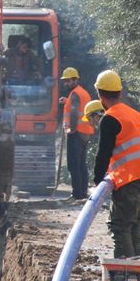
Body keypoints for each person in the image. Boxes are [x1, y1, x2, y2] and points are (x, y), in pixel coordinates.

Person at [92, 70, 140, 259]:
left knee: (120, 225)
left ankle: (126, 276)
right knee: (132, 222)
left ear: (100, 94)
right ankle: (135, 275)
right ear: (119, 92)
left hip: (135, 180)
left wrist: (97, 183)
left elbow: (103, 154)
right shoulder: (135, 114)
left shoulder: (110, 118)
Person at [82, 99, 140, 243]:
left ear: (97, 115)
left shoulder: (109, 123)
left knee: (126, 214)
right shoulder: (120, 121)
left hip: (133, 175)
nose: (89, 123)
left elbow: (104, 154)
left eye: (89, 118)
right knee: (133, 210)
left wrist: (98, 179)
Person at [59, 67, 95, 200]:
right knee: (81, 164)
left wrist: (71, 129)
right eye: (65, 81)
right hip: (86, 132)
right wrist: (66, 101)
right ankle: (83, 192)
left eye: (68, 81)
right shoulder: (82, 93)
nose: (66, 83)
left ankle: (77, 194)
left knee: (73, 164)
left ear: (75, 80)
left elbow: (74, 112)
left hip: (76, 132)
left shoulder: (75, 94)